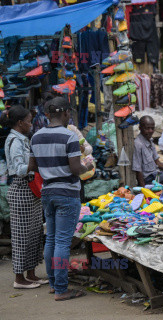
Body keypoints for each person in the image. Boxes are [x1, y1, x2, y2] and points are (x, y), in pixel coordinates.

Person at [29, 97, 94, 301]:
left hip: (47, 192)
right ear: (66, 113)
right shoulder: (69, 136)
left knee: (52, 239)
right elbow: (76, 168)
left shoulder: (36, 136)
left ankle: (53, 282)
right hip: (67, 193)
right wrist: (88, 168)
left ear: (48, 114)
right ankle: (61, 289)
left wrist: (51, 169)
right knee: (63, 242)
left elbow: (33, 167)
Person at [2, 105, 48, 289]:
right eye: (28, 121)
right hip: (21, 190)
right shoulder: (14, 141)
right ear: (20, 123)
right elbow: (18, 169)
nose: (31, 124)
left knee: (34, 234)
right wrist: (33, 162)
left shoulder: (22, 138)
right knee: (22, 236)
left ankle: (31, 274)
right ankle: (19, 278)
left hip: (30, 191)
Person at [133, 116, 163, 186]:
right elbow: (138, 169)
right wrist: (143, 189)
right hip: (149, 178)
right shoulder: (138, 144)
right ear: (140, 128)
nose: (151, 131)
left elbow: (157, 162)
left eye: (152, 128)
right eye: (147, 128)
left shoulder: (150, 141)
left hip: (156, 174)